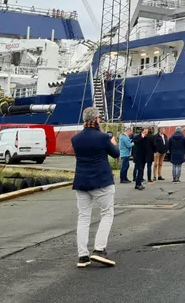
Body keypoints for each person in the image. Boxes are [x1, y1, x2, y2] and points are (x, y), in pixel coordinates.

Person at [71, 106, 119, 268]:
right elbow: (116, 154)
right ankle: (99, 250)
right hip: (102, 182)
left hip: (82, 182)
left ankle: (82, 256)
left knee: (83, 217)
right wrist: (112, 142)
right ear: (97, 119)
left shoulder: (75, 139)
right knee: (106, 214)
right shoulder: (103, 137)